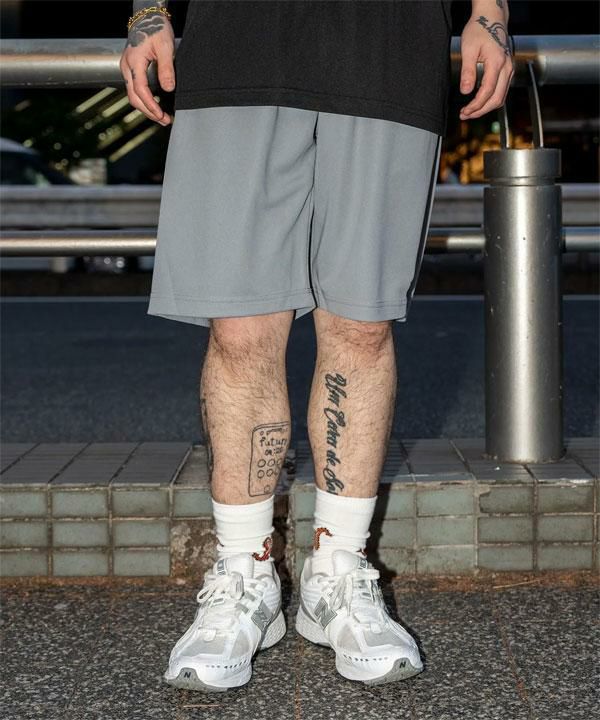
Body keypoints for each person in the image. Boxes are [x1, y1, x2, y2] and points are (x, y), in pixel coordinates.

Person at [121, 0, 513, 692]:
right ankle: (245, 574)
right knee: (240, 327)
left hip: (389, 39)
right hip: (239, 38)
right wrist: (148, 13)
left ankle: (337, 574)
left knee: (361, 324)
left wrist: (489, 10)